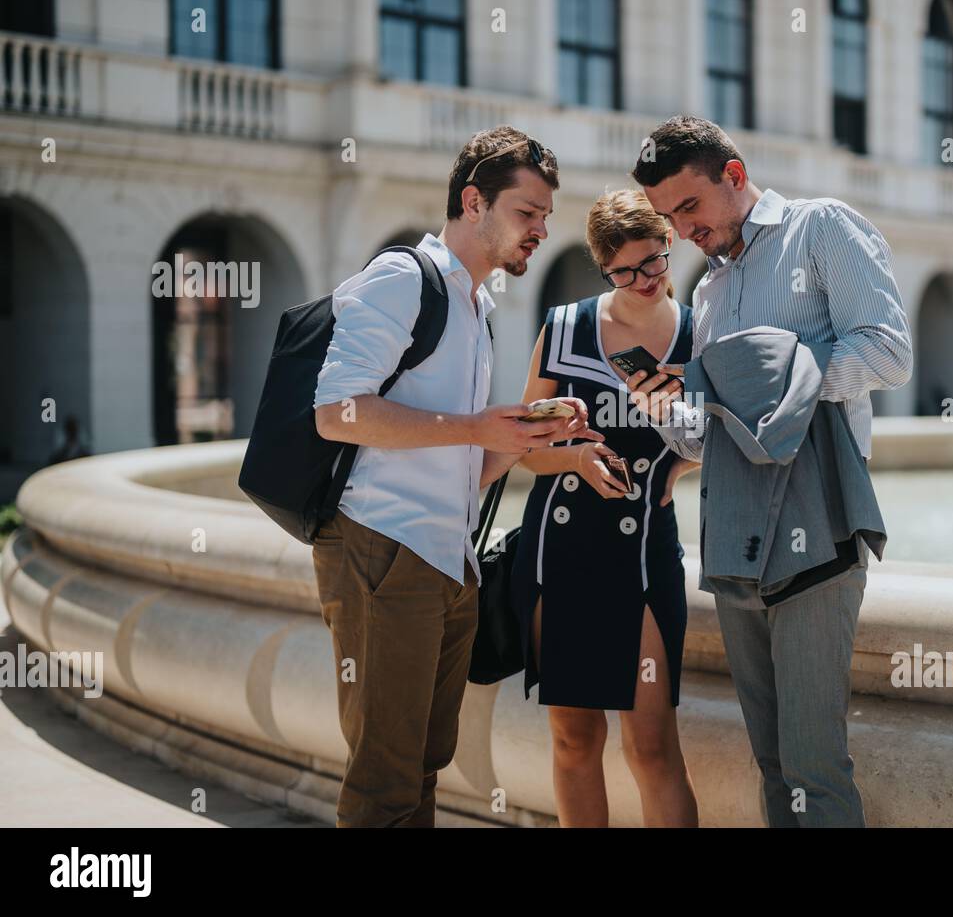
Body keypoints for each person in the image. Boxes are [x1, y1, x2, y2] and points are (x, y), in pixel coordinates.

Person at [311, 126, 600, 827]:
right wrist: (474, 429)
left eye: (544, 219)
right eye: (526, 213)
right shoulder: (404, 278)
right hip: (383, 546)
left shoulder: (475, 305)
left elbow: (462, 466)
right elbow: (335, 411)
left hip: (448, 558)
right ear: (474, 201)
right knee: (385, 779)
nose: (538, 231)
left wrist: (529, 436)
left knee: (424, 768)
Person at [629, 115, 913, 828]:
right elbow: (709, 442)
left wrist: (778, 383)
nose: (683, 230)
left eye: (689, 207)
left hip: (821, 521)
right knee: (772, 764)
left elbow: (888, 353)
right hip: (735, 533)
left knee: (814, 768)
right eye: (669, 217)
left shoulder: (822, 228)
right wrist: (664, 408)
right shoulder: (707, 294)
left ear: (734, 174)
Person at [510, 189, 700, 827]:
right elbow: (524, 449)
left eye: (654, 262)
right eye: (625, 271)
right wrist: (573, 459)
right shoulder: (564, 327)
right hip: (563, 550)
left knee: (651, 748)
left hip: (646, 551)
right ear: (603, 268)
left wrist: (679, 462)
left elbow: (734, 431)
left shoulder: (702, 333)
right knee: (574, 740)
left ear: (669, 244)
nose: (645, 281)